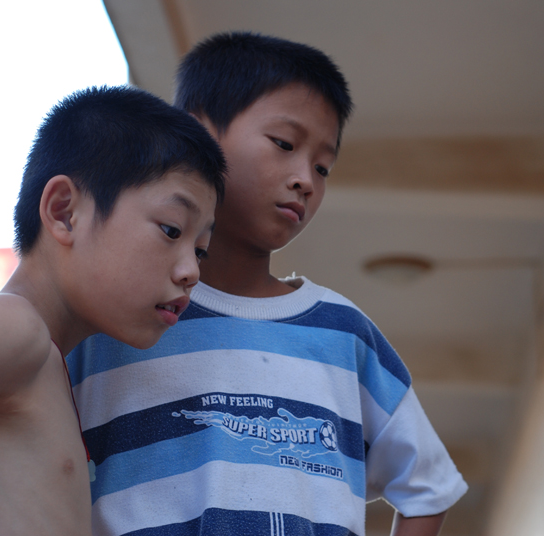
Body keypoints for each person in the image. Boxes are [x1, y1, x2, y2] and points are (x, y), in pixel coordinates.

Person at [68, 33, 467, 536]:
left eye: (323, 167)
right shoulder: (109, 323)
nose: (306, 180)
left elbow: (429, 485)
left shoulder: (343, 334)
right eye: (284, 144)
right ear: (197, 132)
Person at [0, 85, 226, 536]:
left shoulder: (48, 365)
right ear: (65, 212)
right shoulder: (17, 327)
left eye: (200, 250)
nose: (191, 272)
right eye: (171, 230)